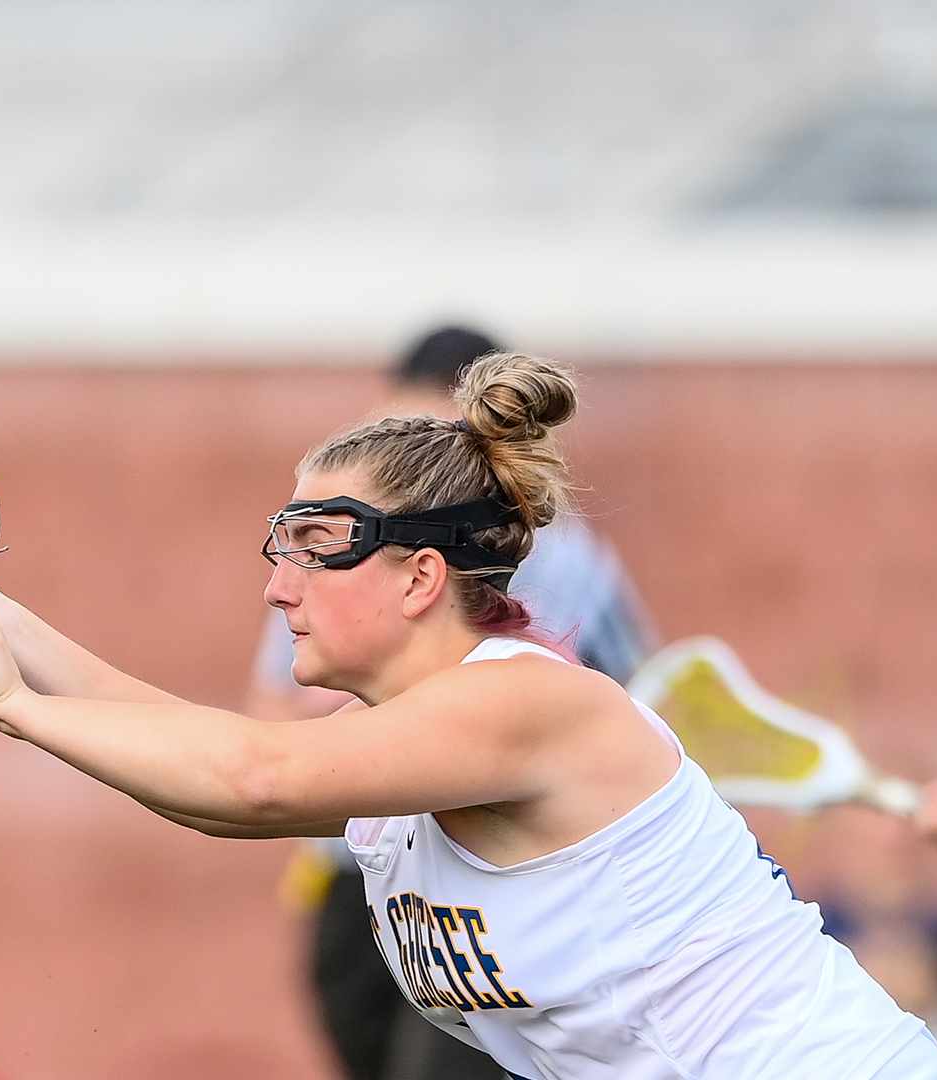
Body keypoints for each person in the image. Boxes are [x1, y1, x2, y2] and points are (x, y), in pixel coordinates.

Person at [0, 352, 937, 1079]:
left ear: (421, 575)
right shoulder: (416, 751)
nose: (280, 588)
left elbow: (244, 782)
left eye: (317, 543)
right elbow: (211, 755)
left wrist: (11, 707)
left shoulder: (525, 704)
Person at [243, 325, 655, 1080]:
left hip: (500, 884)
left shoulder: (553, 578)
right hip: (366, 876)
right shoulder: (330, 556)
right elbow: (263, 728)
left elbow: (635, 687)